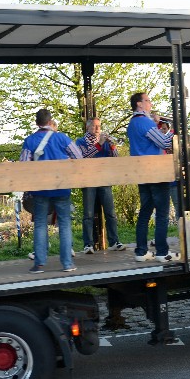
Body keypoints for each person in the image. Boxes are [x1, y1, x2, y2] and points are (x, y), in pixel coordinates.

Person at [21, 109, 83, 273]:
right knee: (64, 224)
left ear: (37, 123)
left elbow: (23, 166)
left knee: (40, 224)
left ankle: (39, 264)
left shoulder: (30, 141)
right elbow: (79, 157)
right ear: (50, 122)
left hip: (40, 189)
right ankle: (67, 264)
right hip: (62, 188)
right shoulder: (62, 138)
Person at [127, 92, 176, 262]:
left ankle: (141, 251)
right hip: (156, 172)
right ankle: (162, 252)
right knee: (162, 214)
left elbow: (147, 141)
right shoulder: (144, 121)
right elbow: (164, 143)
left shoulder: (132, 123)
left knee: (145, 213)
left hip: (142, 173)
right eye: (147, 100)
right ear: (139, 104)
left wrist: (156, 126)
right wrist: (171, 129)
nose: (151, 103)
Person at [76, 116, 125, 254]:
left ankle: (114, 241)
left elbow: (115, 158)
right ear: (88, 127)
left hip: (104, 180)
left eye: (99, 126)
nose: (98, 129)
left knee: (110, 212)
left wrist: (112, 145)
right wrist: (99, 145)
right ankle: (88, 244)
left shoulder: (104, 141)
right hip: (89, 180)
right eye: (94, 126)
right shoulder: (80, 142)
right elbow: (83, 157)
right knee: (88, 214)